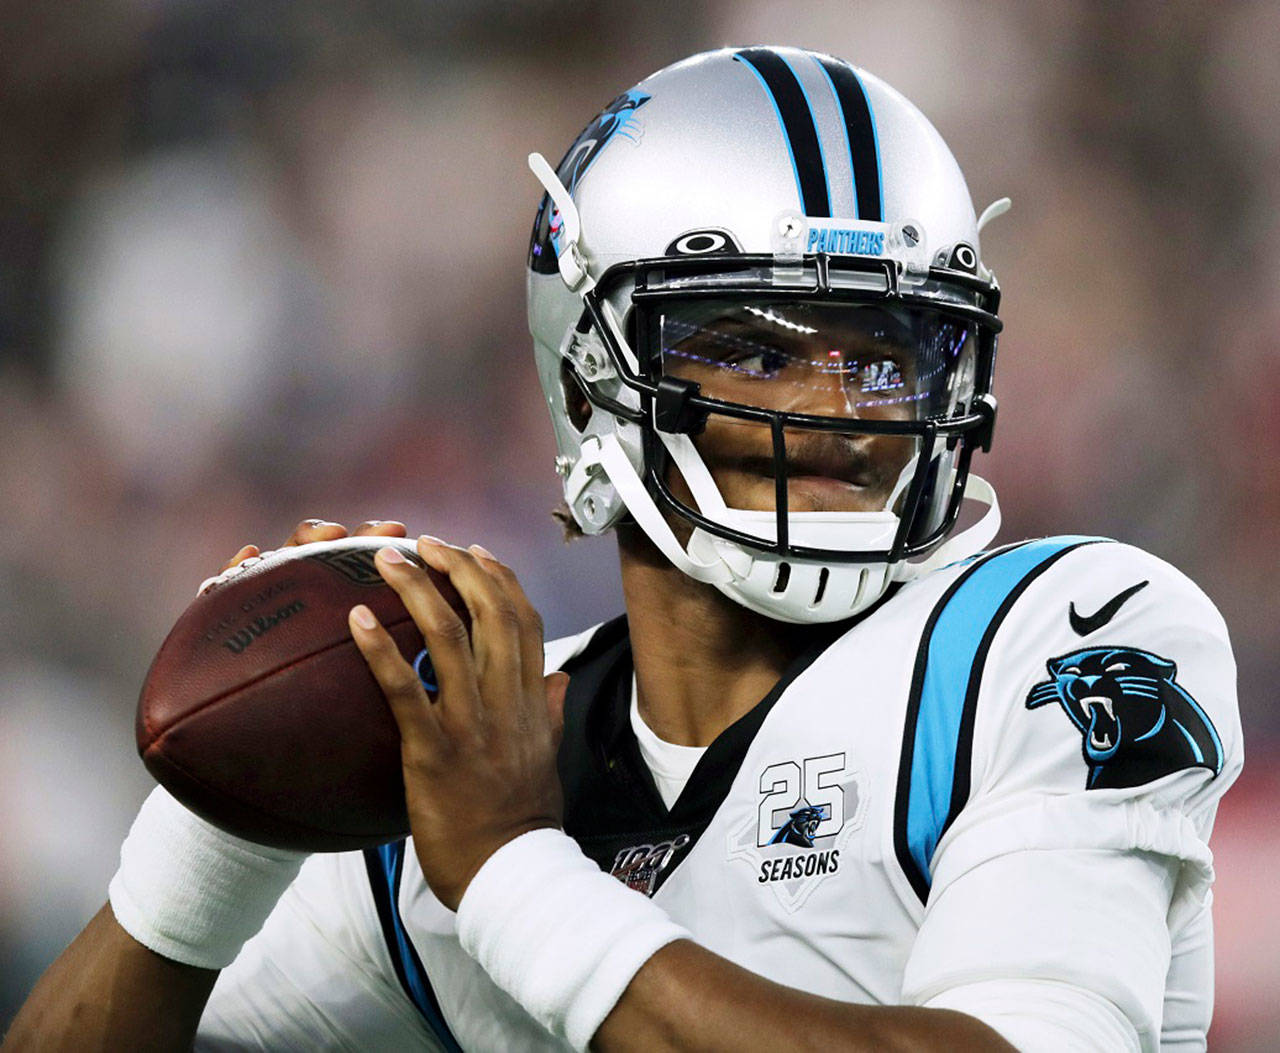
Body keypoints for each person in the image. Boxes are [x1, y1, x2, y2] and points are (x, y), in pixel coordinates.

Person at [5, 46, 1241, 1052]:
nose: (835, 409)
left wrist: (513, 878)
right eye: (751, 350)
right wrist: (223, 832)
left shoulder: (1050, 635)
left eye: (885, 358)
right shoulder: (467, 742)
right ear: (584, 378)